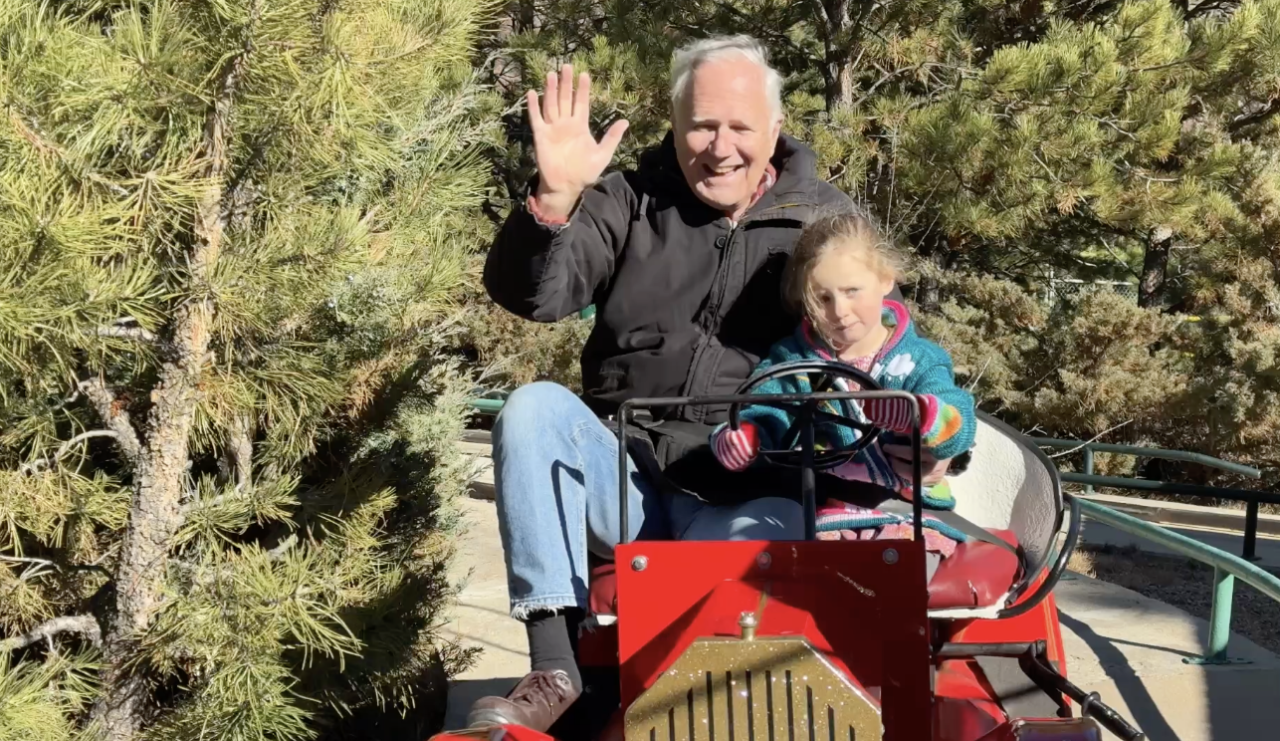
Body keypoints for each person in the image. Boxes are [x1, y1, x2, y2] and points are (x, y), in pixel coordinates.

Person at [468, 35, 952, 731]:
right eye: (701, 125)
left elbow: (885, 344)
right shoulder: (629, 200)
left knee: (743, 576)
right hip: (628, 473)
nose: (720, 148)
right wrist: (554, 197)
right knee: (530, 409)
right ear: (674, 124)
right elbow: (535, 296)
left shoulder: (823, 223)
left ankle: (722, 712)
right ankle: (554, 668)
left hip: (753, 482)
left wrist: (922, 437)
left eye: (740, 128)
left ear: (775, 129)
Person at [709, 211, 977, 574]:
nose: (839, 311)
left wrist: (930, 419)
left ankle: (916, 413)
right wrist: (746, 436)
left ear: (885, 279)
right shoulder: (795, 360)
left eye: (852, 291)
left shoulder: (918, 360)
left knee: (903, 577)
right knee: (813, 577)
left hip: (907, 511)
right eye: (823, 298)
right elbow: (769, 406)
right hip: (827, 510)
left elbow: (958, 419)